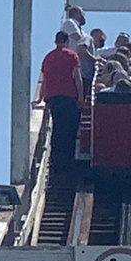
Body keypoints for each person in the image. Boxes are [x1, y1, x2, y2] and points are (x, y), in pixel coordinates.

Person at [36, 31, 84, 181]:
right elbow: (77, 78)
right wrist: (81, 97)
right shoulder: (71, 56)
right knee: (70, 129)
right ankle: (67, 162)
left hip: (53, 97)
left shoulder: (48, 57)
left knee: (57, 127)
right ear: (67, 40)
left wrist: (40, 98)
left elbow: (44, 80)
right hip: (69, 97)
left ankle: (56, 161)